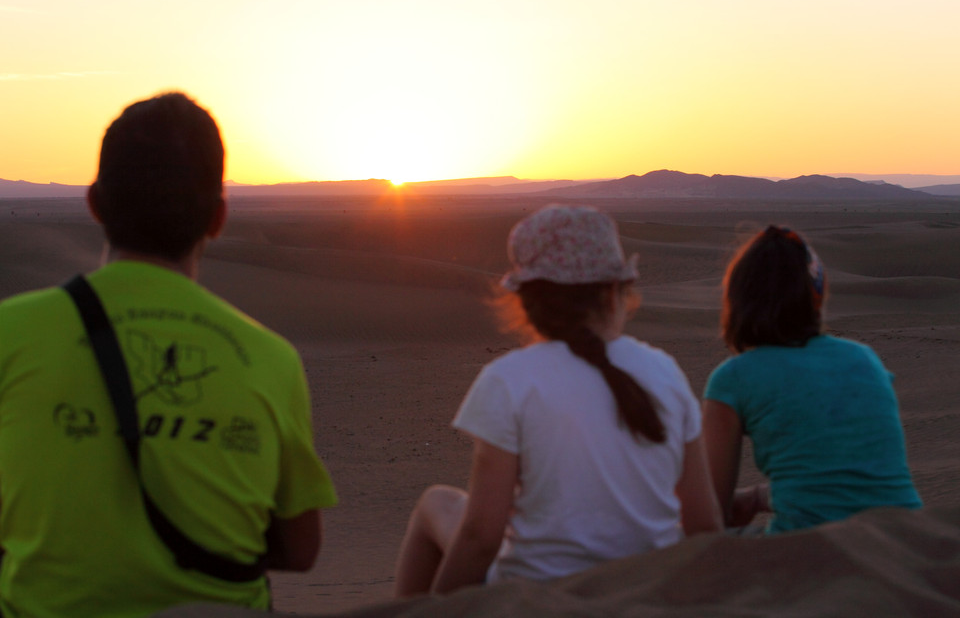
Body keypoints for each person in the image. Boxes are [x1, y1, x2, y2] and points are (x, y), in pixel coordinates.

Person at [0, 92, 337, 616]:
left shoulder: (10, 332)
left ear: (95, 205)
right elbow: (301, 548)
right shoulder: (271, 359)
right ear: (218, 218)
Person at [394, 204, 721, 597]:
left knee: (436, 503)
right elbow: (704, 525)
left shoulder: (509, 379)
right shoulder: (665, 372)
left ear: (526, 302)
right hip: (645, 589)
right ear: (616, 291)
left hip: (536, 594)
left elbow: (481, 537)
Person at [702, 225, 922, 534]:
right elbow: (853, 476)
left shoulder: (733, 379)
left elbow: (708, 514)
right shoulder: (865, 359)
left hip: (813, 553)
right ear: (816, 295)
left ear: (736, 299)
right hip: (912, 537)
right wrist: (756, 498)